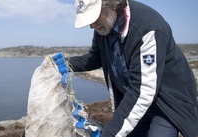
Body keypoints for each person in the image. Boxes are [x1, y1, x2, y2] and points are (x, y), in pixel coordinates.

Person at [67, 0, 198, 136]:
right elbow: (95, 58)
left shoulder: (146, 26)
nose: (91, 25)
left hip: (166, 102)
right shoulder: (104, 28)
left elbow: (144, 90)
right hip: (133, 97)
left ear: (110, 5)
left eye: (93, 17)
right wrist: (64, 64)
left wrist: (109, 134)